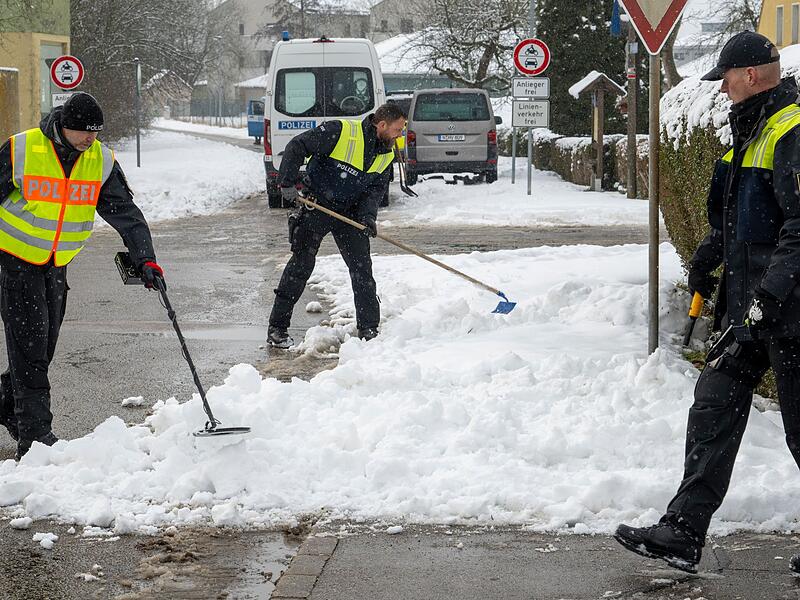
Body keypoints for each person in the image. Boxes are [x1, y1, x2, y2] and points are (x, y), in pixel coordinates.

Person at [615, 31, 800, 574]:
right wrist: (707, 256)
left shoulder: (791, 132)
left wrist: (771, 295)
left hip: (789, 314)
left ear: (748, 76)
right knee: (712, 411)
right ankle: (682, 531)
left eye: (724, 81)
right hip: (747, 312)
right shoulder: (745, 133)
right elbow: (732, 214)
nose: (720, 92)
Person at [0, 92, 163, 459]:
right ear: (64, 126)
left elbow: (125, 210)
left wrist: (146, 258)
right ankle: (36, 437)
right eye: (84, 133)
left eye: (96, 132)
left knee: (43, 346)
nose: (91, 139)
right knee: (30, 348)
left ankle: (6, 404)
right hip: (16, 262)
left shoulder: (100, 161)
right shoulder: (22, 149)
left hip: (57, 264)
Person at [267, 103, 406, 348]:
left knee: (362, 270)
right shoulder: (340, 131)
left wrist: (367, 217)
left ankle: (368, 328)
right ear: (382, 125)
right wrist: (286, 182)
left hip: (350, 215)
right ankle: (277, 328)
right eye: (397, 129)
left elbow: (375, 190)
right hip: (317, 205)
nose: (400, 135)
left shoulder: (387, 153)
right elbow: (297, 146)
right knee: (301, 265)